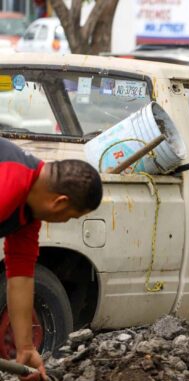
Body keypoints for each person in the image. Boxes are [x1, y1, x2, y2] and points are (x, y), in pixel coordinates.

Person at [0, 137, 103, 381]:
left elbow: (21, 278)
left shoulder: (27, 213)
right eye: (70, 217)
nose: (65, 222)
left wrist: (25, 347)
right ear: (60, 202)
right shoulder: (8, 185)